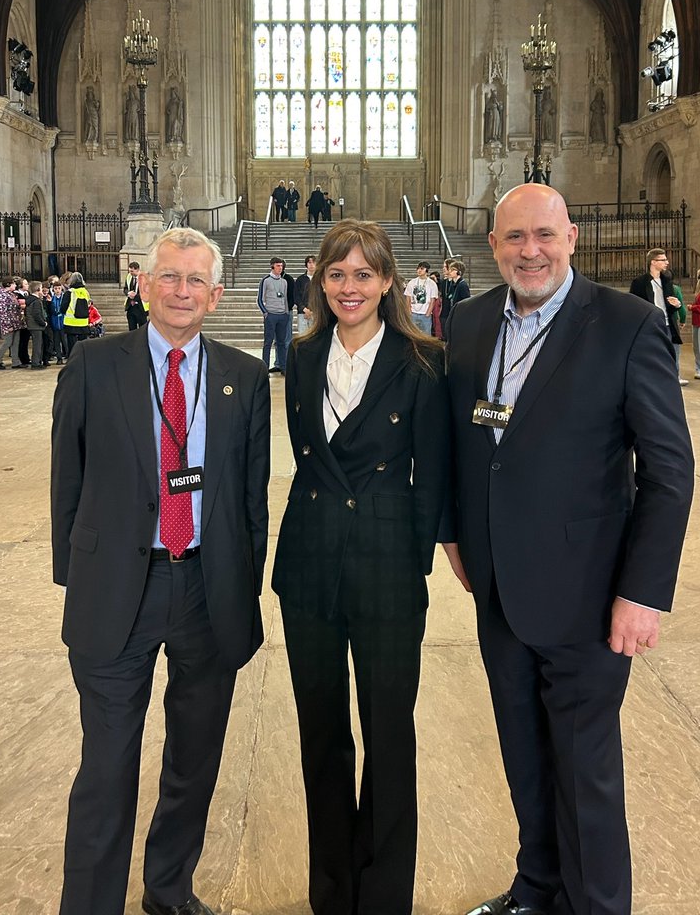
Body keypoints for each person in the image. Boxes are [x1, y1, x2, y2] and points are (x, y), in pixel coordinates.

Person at [443, 184, 693, 915]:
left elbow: (667, 472)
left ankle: (595, 905)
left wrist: (642, 592)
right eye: (514, 237)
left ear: (571, 237)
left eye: (544, 235)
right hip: (499, 591)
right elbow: (464, 443)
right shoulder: (467, 322)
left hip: (589, 595)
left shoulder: (625, 324)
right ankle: (537, 888)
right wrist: (453, 532)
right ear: (492, 245)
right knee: (523, 755)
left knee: (584, 771)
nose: (530, 251)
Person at [51, 226, 270, 915]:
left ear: (216, 293)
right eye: (168, 277)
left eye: (194, 280)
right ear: (142, 286)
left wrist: (240, 581)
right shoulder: (94, 365)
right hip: (121, 585)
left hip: (207, 587)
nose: (181, 291)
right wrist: (76, 576)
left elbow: (250, 496)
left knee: (193, 759)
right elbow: (67, 479)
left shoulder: (242, 375)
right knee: (108, 765)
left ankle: (169, 890)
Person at [272, 219, 450, 915]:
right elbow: (306, 457)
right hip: (309, 565)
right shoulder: (302, 354)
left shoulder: (423, 360)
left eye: (363, 275)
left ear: (387, 283)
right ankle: (331, 892)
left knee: (387, 734)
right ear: (319, 281)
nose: (349, 288)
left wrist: (417, 560)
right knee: (320, 733)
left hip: (386, 565)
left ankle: (381, 897)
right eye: (336, 274)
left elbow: (430, 475)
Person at [629, 248, 686, 384]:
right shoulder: (640, 283)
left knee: (672, 355)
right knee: (651, 356)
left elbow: (670, 304)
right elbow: (633, 305)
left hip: (668, 324)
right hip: (650, 325)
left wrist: (677, 305)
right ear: (653, 262)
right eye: (663, 260)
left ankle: (671, 381)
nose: (667, 262)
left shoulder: (667, 281)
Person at [257, 256, 292, 374]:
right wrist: (265, 313)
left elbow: (286, 298)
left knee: (281, 342)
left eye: (281, 266)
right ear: (272, 266)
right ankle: (264, 367)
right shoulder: (266, 280)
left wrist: (286, 312)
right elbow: (260, 299)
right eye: (278, 266)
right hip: (271, 314)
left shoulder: (284, 282)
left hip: (282, 314)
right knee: (268, 342)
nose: (280, 268)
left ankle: (283, 366)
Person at [0, 277, 25, 369]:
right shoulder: (1, 294)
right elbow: (3, 311)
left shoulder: (11, 294)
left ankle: (15, 361)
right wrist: (8, 325)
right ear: (8, 284)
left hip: (16, 321)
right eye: (13, 283)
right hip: (8, 322)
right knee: (8, 341)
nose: (15, 285)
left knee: (15, 342)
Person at [61, 271, 91, 355]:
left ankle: (73, 359)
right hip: (83, 322)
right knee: (83, 345)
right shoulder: (86, 292)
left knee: (72, 345)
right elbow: (89, 305)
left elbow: (63, 307)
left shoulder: (70, 292)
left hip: (71, 322)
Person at [403, 261, 438, 335]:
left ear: (427, 270)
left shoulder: (432, 283)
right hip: (413, 313)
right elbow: (408, 297)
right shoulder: (412, 282)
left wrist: (428, 313)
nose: (419, 270)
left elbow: (433, 300)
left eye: (422, 269)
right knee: (412, 334)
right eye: (418, 268)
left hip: (425, 314)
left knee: (426, 335)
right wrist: (409, 311)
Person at [443, 259, 471, 337]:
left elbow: (466, 301)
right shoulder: (453, 284)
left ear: (459, 272)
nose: (450, 272)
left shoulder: (462, 285)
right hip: (453, 312)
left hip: (459, 314)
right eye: (450, 270)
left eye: (453, 270)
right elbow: (449, 296)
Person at [24, 281, 47, 368]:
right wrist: (43, 323)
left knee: (37, 344)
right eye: (41, 289)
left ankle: (36, 361)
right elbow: (37, 314)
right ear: (38, 290)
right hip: (36, 326)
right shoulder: (36, 301)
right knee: (37, 345)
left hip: (31, 325)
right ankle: (36, 363)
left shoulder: (30, 300)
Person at [294, 255, 317, 335]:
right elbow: (296, 296)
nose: (311, 265)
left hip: (316, 313)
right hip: (302, 313)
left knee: (315, 337)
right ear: (306, 264)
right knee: (303, 337)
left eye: (313, 262)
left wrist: (313, 311)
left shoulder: (320, 279)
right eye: (309, 262)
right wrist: (304, 309)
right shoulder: (300, 280)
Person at [46, 281, 68, 363]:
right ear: (53, 289)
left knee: (65, 341)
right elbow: (51, 310)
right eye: (55, 288)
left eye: (59, 288)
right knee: (56, 341)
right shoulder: (52, 298)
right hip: (55, 323)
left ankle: (67, 355)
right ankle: (59, 358)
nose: (57, 290)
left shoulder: (64, 297)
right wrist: (50, 303)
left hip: (63, 322)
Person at [123, 261, 148, 331]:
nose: (130, 273)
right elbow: (125, 288)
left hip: (140, 307)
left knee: (142, 329)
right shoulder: (129, 277)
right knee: (131, 329)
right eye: (130, 271)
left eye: (132, 271)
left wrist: (135, 296)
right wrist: (128, 293)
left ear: (137, 269)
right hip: (130, 307)